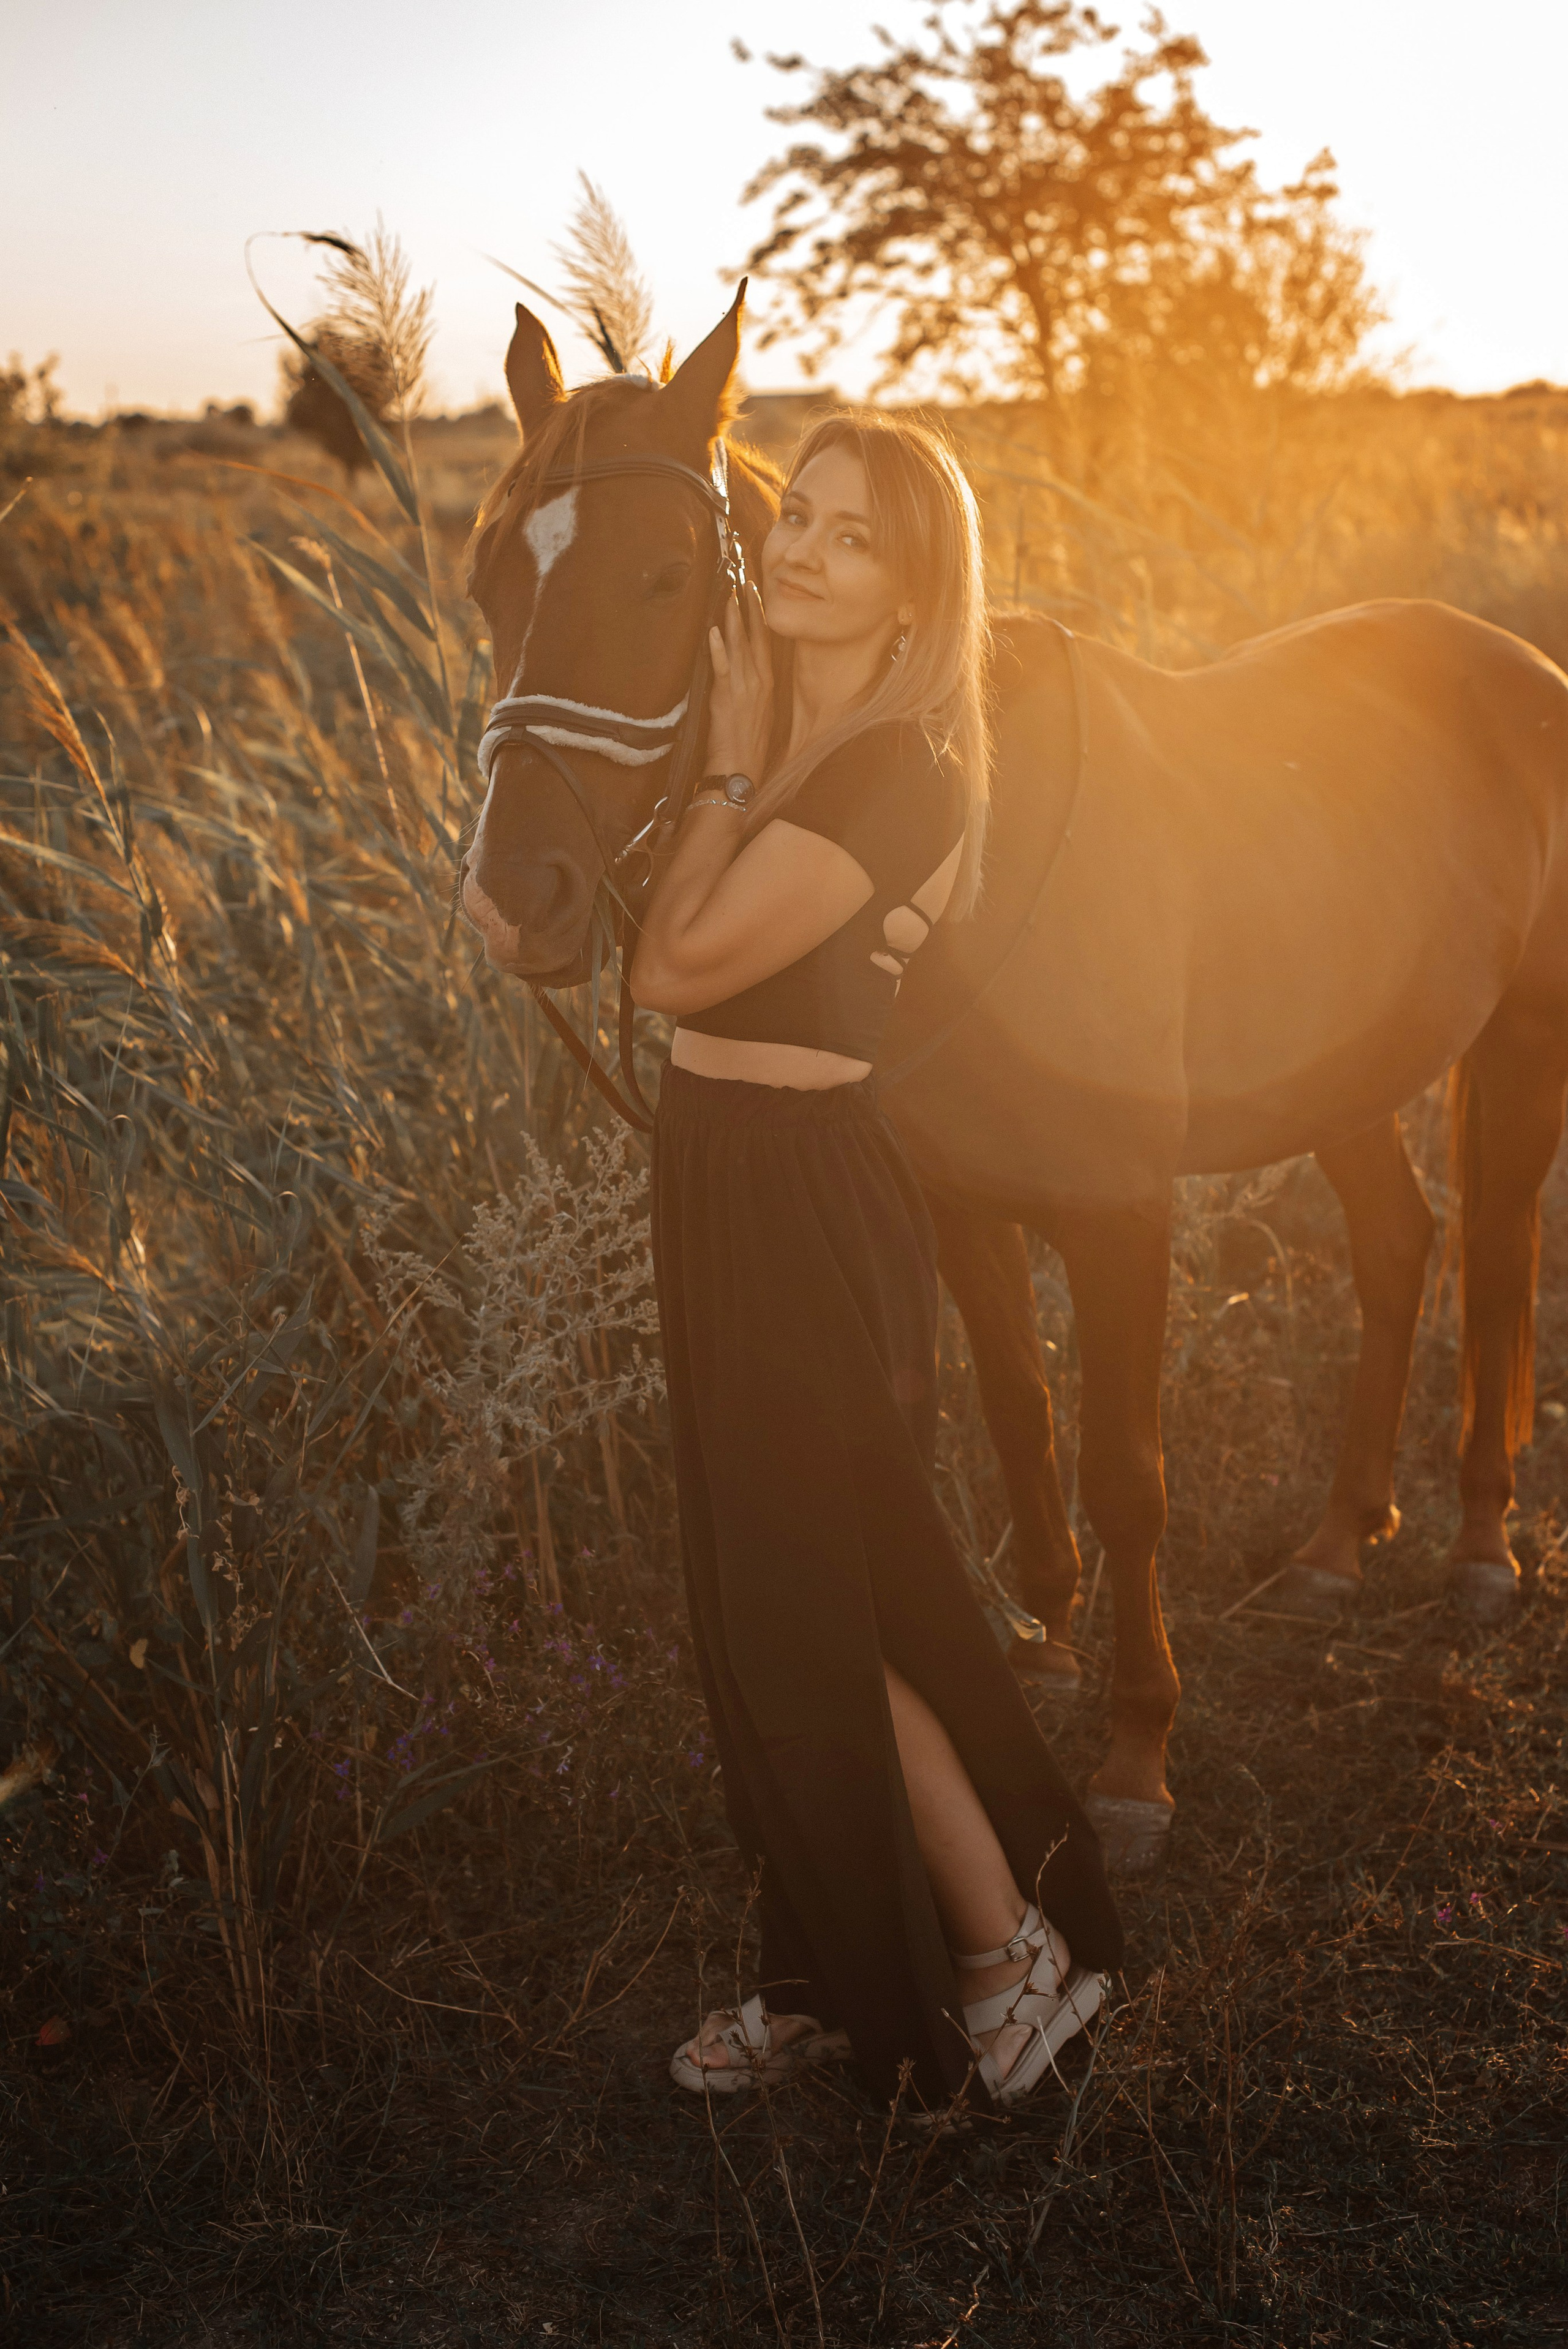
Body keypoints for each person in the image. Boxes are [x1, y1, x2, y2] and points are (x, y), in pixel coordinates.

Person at [631, 412, 1123, 2117]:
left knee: (827, 1612)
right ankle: (828, 1978)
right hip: (720, 1178)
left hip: (794, 1200)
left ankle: (1005, 1956)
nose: (808, 553)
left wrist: (723, 772)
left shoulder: (891, 765)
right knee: (754, 1610)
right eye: (804, 520)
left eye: (855, 536)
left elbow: (674, 966)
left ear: (919, 587)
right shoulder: (807, 738)